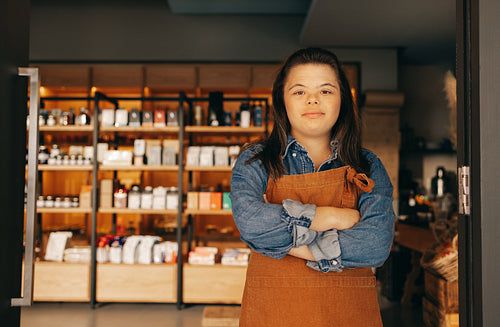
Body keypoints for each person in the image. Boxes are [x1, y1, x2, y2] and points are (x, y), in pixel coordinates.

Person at [230, 47, 396, 326]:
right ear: (282, 101)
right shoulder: (255, 159)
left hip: (349, 316)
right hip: (273, 315)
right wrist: (329, 217)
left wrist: (291, 246)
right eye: (299, 91)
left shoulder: (369, 165)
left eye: (326, 91)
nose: (312, 100)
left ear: (342, 100)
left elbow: (375, 245)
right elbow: (250, 222)